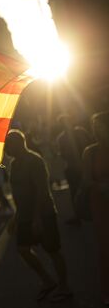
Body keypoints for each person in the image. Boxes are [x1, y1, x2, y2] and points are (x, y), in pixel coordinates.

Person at [4, 129, 72, 302]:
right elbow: (19, 194)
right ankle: (48, 281)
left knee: (52, 250)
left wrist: (37, 219)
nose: (6, 149)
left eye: (9, 144)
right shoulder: (14, 164)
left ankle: (64, 287)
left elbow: (41, 191)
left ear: (19, 143)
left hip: (43, 213)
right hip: (24, 215)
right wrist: (16, 218)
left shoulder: (34, 161)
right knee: (23, 249)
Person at [82, 111, 109, 306]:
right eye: (95, 127)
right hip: (101, 205)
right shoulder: (89, 152)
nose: (98, 131)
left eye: (102, 126)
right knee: (105, 250)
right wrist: (99, 186)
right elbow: (85, 180)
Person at [56, 114, 93, 226]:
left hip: (79, 167)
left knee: (79, 191)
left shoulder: (64, 137)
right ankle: (83, 214)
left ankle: (82, 214)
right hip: (79, 167)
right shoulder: (77, 133)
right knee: (78, 191)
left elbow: (62, 154)